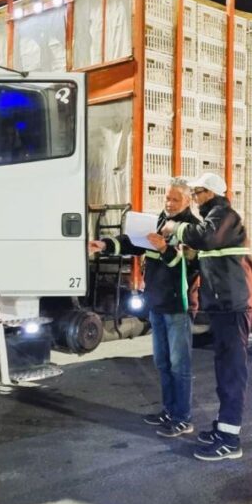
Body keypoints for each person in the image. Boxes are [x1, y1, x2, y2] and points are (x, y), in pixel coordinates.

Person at [88, 179, 200, 438]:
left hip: (178, 305)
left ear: (187, 202)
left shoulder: (192, 229)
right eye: (167, 198)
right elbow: (133, 243)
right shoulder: (160, 221)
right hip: (157, 303)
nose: (169, 203)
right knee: (162, 362)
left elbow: (189, 268)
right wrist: (104, 245)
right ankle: (169, 411)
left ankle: (183, 418)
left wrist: (164, 249)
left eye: (175, 200)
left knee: (179, 365)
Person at [161, 172, 252, 461]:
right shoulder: (214, 217)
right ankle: (222, 429)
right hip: (223, 307)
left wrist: (175, 230)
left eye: (198, 192)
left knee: (231, 373)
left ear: (210, 193)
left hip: (233, 306)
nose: (195, 197)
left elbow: (206, 238)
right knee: (224, 369)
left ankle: (230, 441)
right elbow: (203, 253)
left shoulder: (225, 215)